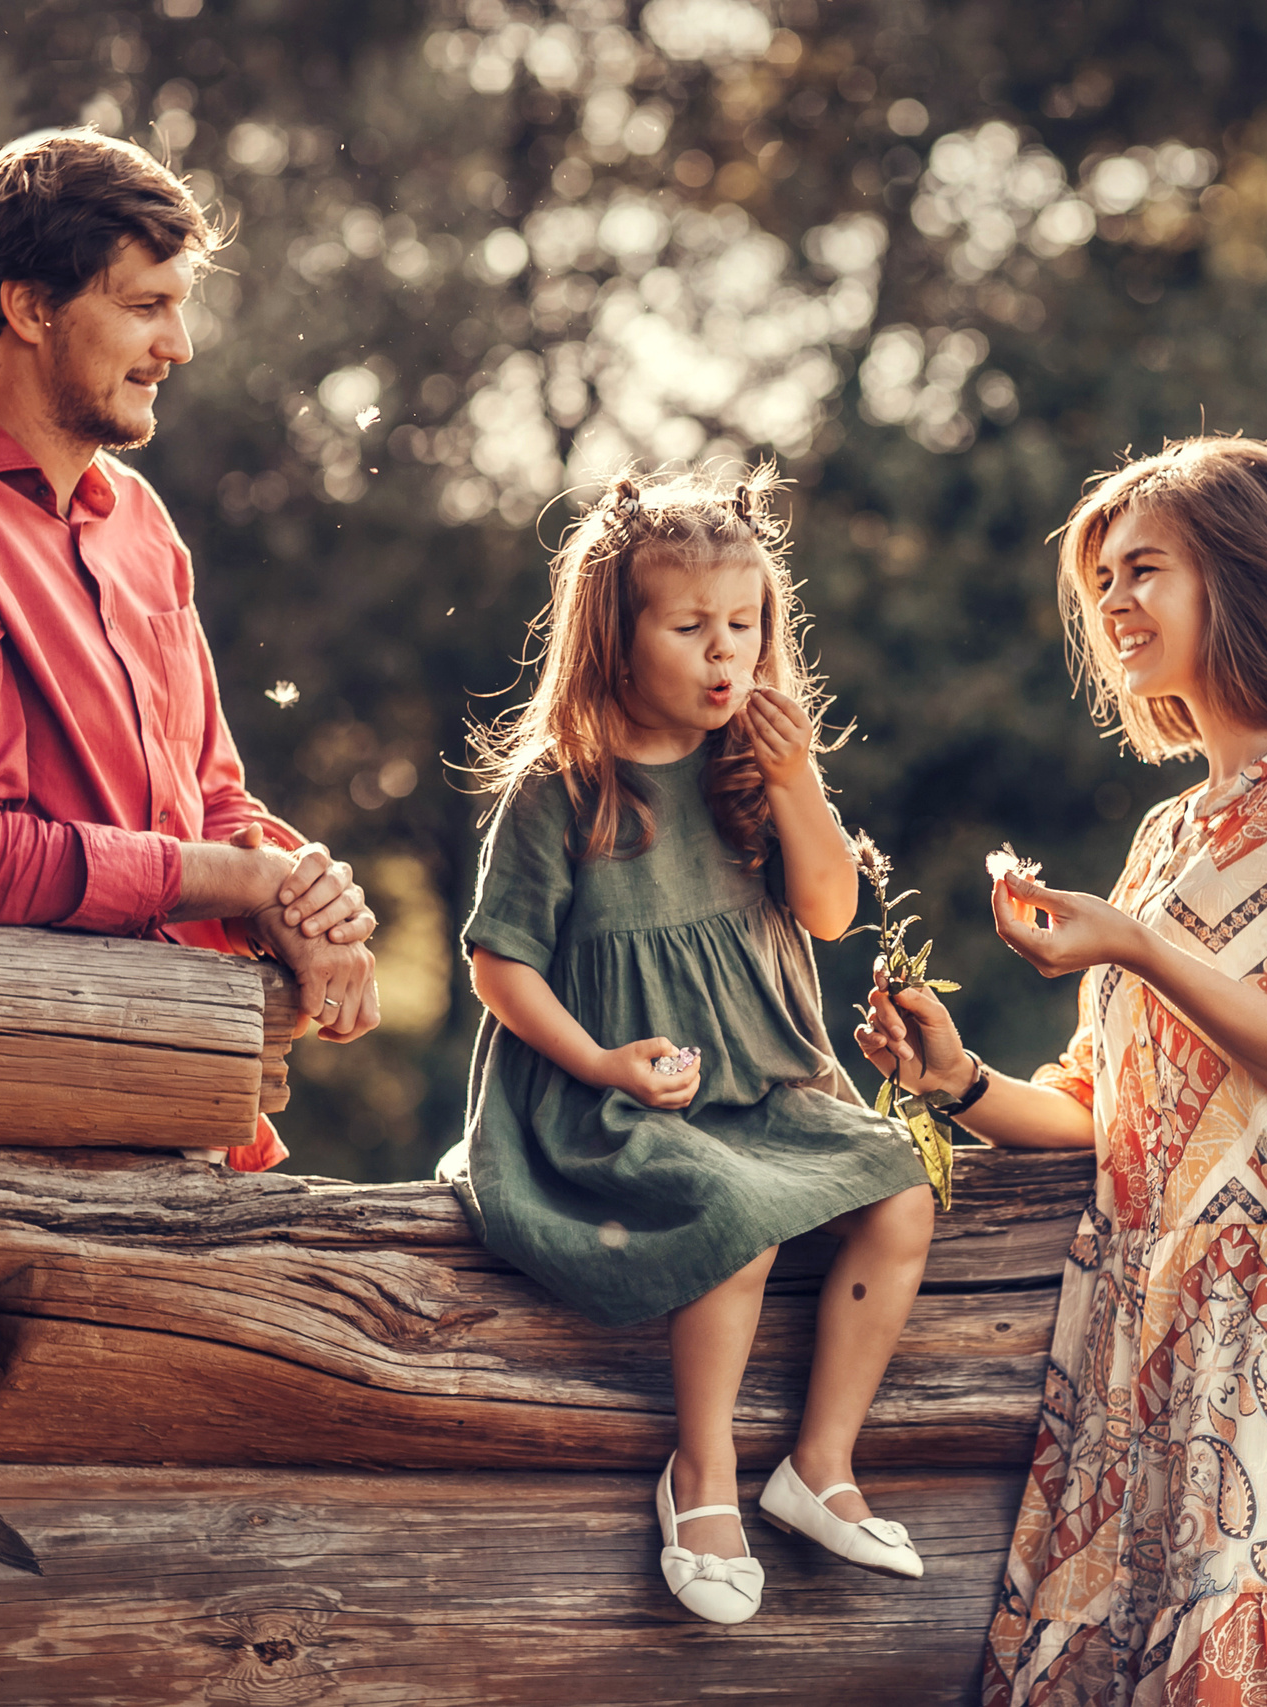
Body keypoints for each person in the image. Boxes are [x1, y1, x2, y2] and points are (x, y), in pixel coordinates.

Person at [859, 438, 1267, 1705]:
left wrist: (1137, 942)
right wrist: (955, 1078)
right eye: (1101, 584)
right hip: (1142, 1330)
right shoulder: (1166, 831)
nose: (1114, 605)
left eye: (1145, 571)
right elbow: (1097, 1103)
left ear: (1245, 573)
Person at [0, 130, 378, 1170]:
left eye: (178, 306)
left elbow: (211, 800)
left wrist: (295, 891)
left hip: (193, 1094)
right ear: (30, 307)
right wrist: (243, 885)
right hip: (35, 1123)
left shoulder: (139, 520)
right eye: (145, 306)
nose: (180, 346)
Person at [449, 469, 938, 1626]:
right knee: (731, 1215)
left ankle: (818, 1467)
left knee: (901, 1192)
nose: (727, 657)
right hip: (611, 1095)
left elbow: (826, 910)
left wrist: (797, 777)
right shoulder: (561, 791)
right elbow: (497, 966)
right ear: (613, 639)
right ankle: (701, 1475)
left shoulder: (745, 773)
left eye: (746, 627)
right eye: (690, 630)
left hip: (763, 1084)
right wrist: (605, 1064)